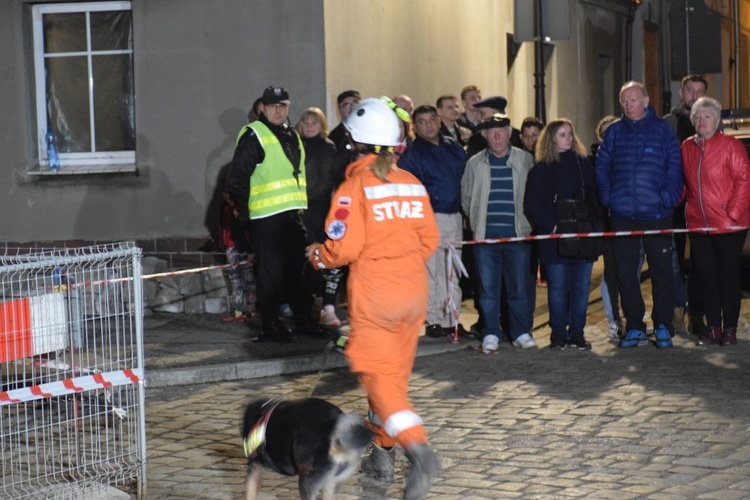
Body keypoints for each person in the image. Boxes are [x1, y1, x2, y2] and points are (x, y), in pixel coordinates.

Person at [305, 97, 442, 498]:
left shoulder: (354, 187)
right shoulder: (411, 183)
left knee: (378, 379)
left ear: (354, 143)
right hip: (413, 293)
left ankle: (419, 448)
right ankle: (382, 458)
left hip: (376, 297)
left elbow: (341, 249)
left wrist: (316, 255)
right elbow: (430, 240)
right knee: (393, 382)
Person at [595, 81, 683, 349]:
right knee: (624, 272)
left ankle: (663, 325)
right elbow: (602, 166)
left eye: (633, 99)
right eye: (624, 101)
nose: (628, 105)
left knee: (662, 272)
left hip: (657, 213)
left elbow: (675, 167)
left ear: (645, 101)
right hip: (623, 214)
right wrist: (609, 198)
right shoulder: (615, 133)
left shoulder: (662, 131)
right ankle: (635, 326)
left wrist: (667, 198)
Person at [224, 85, 313, 342]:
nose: (278, 110)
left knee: (300, 271)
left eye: (283, 105)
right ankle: (270, 326)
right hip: (267, 218)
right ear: (262, 107)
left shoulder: (291, 135)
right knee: (271, 276)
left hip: (292, 215)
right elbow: (236, 180)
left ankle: (304, 320)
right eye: (273, 105)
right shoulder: (255, 135)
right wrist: (247, 212)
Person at [461, 114, 536, 352]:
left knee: (519, 288)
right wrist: (477, 222)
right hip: (486, 237)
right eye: (492, 133)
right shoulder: (474, 163)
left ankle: (520, 332)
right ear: (485, 136)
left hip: (517, 236)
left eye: (501, 131)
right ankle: (490, 332)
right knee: (487, 289)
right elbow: (466, 198)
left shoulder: (525, 160)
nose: (497, 137)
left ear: (509, 134)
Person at [524, 119, 600, 350]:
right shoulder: (541, 168)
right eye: (562, 134)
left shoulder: (583, 164)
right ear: (551, 139)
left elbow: (594, 198)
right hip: (554, 238)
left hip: (582, 236)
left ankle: (577, 333)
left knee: (580, 287)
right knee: (557, 287)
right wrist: (552, 226)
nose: (568, 138)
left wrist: (594, 229)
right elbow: (532, 204)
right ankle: (558, 334)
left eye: (570, 133)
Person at [680, 96, 750, 346]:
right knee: (706, 277)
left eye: (707, 116)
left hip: (729, 225)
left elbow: (744, 180)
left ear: (717, 120)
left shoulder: (731, 146)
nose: (701, 121)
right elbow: (685, 184)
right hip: (699, 224)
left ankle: (730, 329)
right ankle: (714, 327)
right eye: (697, 116)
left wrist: (731, 213)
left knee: (728, 277)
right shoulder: (687, 147)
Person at [399, 105, 469, 338]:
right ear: (415, 126)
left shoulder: (454, 147)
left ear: (439, 121)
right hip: (429, 217)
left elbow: (465, 179)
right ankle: (433, 319)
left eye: (432, 120)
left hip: (454, 216)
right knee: (432, 270)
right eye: (422, 121)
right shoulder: (412, 154)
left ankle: (453, 318)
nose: (429, 125)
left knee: (453, 269)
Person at [665, 74, 709, 336]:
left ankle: (697, 313)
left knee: (703, 262)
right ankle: (677, 308)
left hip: (703, 204)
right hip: (674, 204)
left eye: (699, 91)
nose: (693, 96)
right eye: (689, 91)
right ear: (681, 94)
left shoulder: (711, 124)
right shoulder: (668, 124)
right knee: (673, 261)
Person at [296, 107, 343, 328]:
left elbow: (325, 182)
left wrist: (303, 200)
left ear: (321, 125)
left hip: (317, 211)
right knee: (302, 259)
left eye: (314, 122)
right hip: (298, 210)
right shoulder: (296, 146)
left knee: (322, 258)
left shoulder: (326, 148)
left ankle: (327, 306)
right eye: (305, 122)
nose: (309, 126)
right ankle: (305, 305)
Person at [589, 115, 624, 340]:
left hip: (631, 222)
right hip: (608, 225)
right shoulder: (595, 160)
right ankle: (614, 320)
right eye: (606, 131)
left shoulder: (630, 153)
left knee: (629, 273)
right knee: (611, 273)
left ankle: (631, 318)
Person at [218, 190, 257, 324]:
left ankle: (251, 311)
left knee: (249, 280)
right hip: (231, 248)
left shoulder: (244, 207)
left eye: (230, 193)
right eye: (225, 193)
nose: (228, 196)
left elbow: (250, 229)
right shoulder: (225, 207)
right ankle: (238, 312)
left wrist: (251, 250)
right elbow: (223, 227)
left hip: (245, 250)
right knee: (235, 281)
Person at [520, 117, 546, 288]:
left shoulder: (546, 160)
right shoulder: (519, 159)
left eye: (535, 135)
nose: (531, 140)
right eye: (527, 136)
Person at [329, 90, 362, 183]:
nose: (352, 107)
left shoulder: (372, 131)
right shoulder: (334, 137)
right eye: (346, 104)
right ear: (339, 110)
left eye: (356, 103)